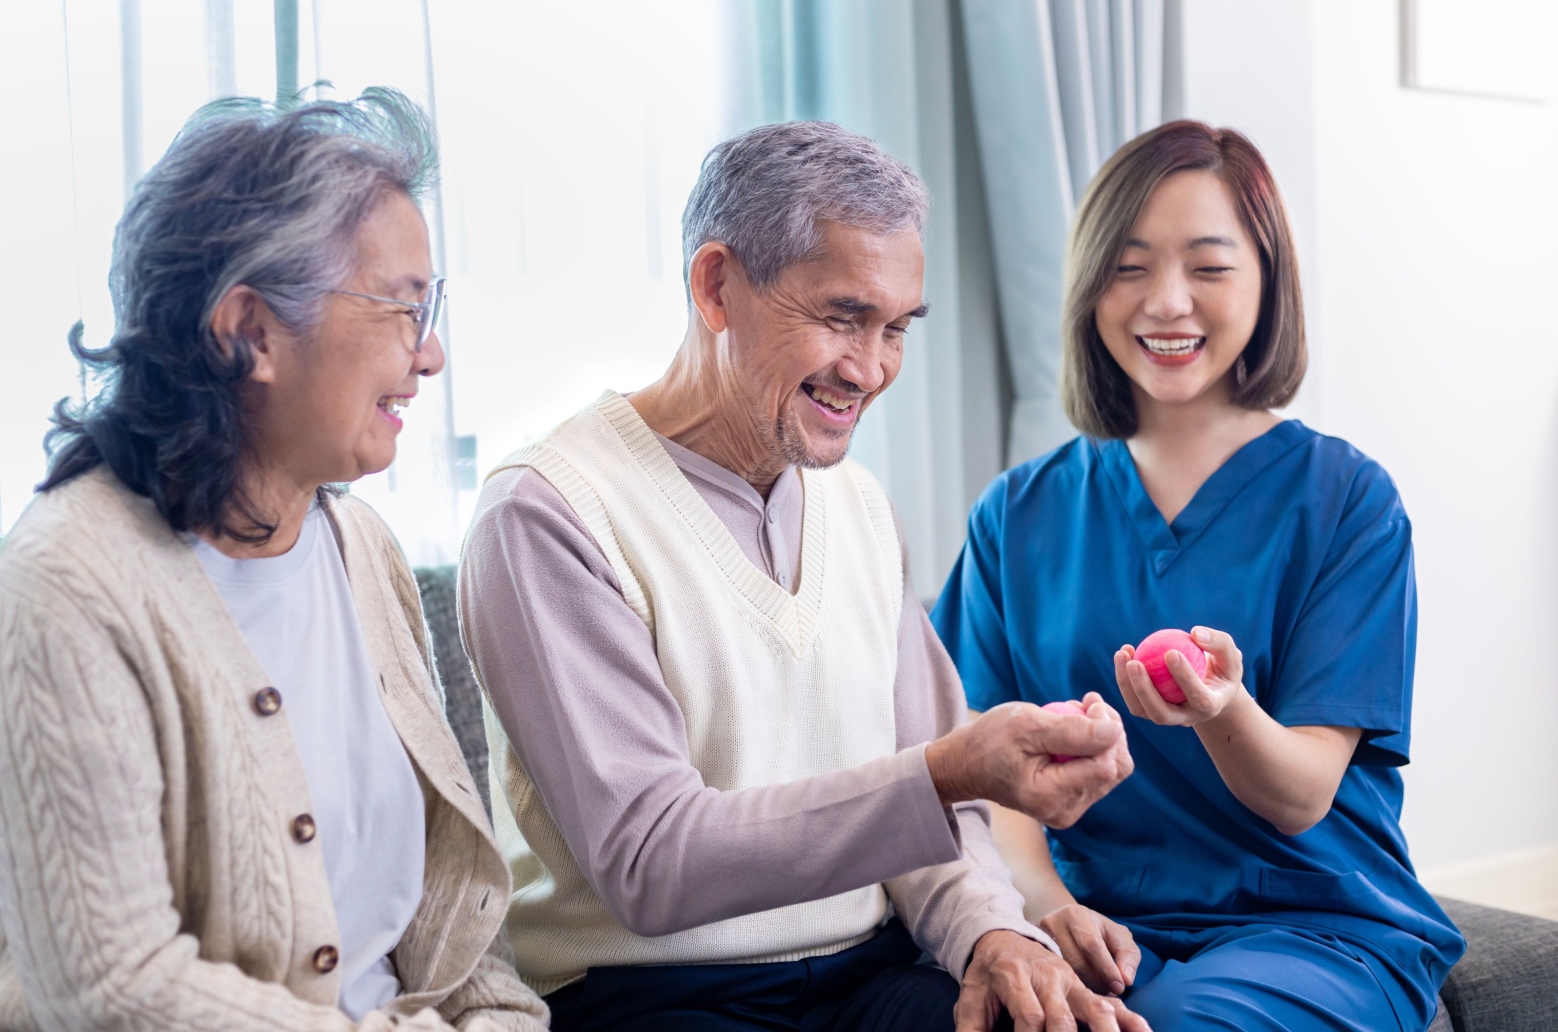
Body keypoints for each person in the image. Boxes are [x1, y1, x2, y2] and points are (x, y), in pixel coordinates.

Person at [458, 120, 1146, 1032]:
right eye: (840, 317)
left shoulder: (856, 506)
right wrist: (939, 773)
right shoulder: (549, 513)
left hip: (871, 968)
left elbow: (934, 822)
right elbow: (652, 865)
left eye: (896, 328)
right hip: (650, 995)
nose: (871, 370)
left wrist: (992, 936)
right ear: (716, 287)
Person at [0, 90, 549, 1032]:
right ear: (251, 330)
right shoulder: (67, 584)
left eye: (432, 306)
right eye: (401, 308)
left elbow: (458, 931)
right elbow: (115, 986)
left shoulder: (362, 550)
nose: (430, 355)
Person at [930, 120, 1466, 1032]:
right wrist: (1039, 905)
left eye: (1209, 268)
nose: (1167, 302)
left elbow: (1300, 796)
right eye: (1130, 267)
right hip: (1102, 928)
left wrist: (1224, 712)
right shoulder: (1016, 514)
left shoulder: (1346, 501)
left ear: (1266, 282)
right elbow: (987, 771)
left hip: (1310, 929)